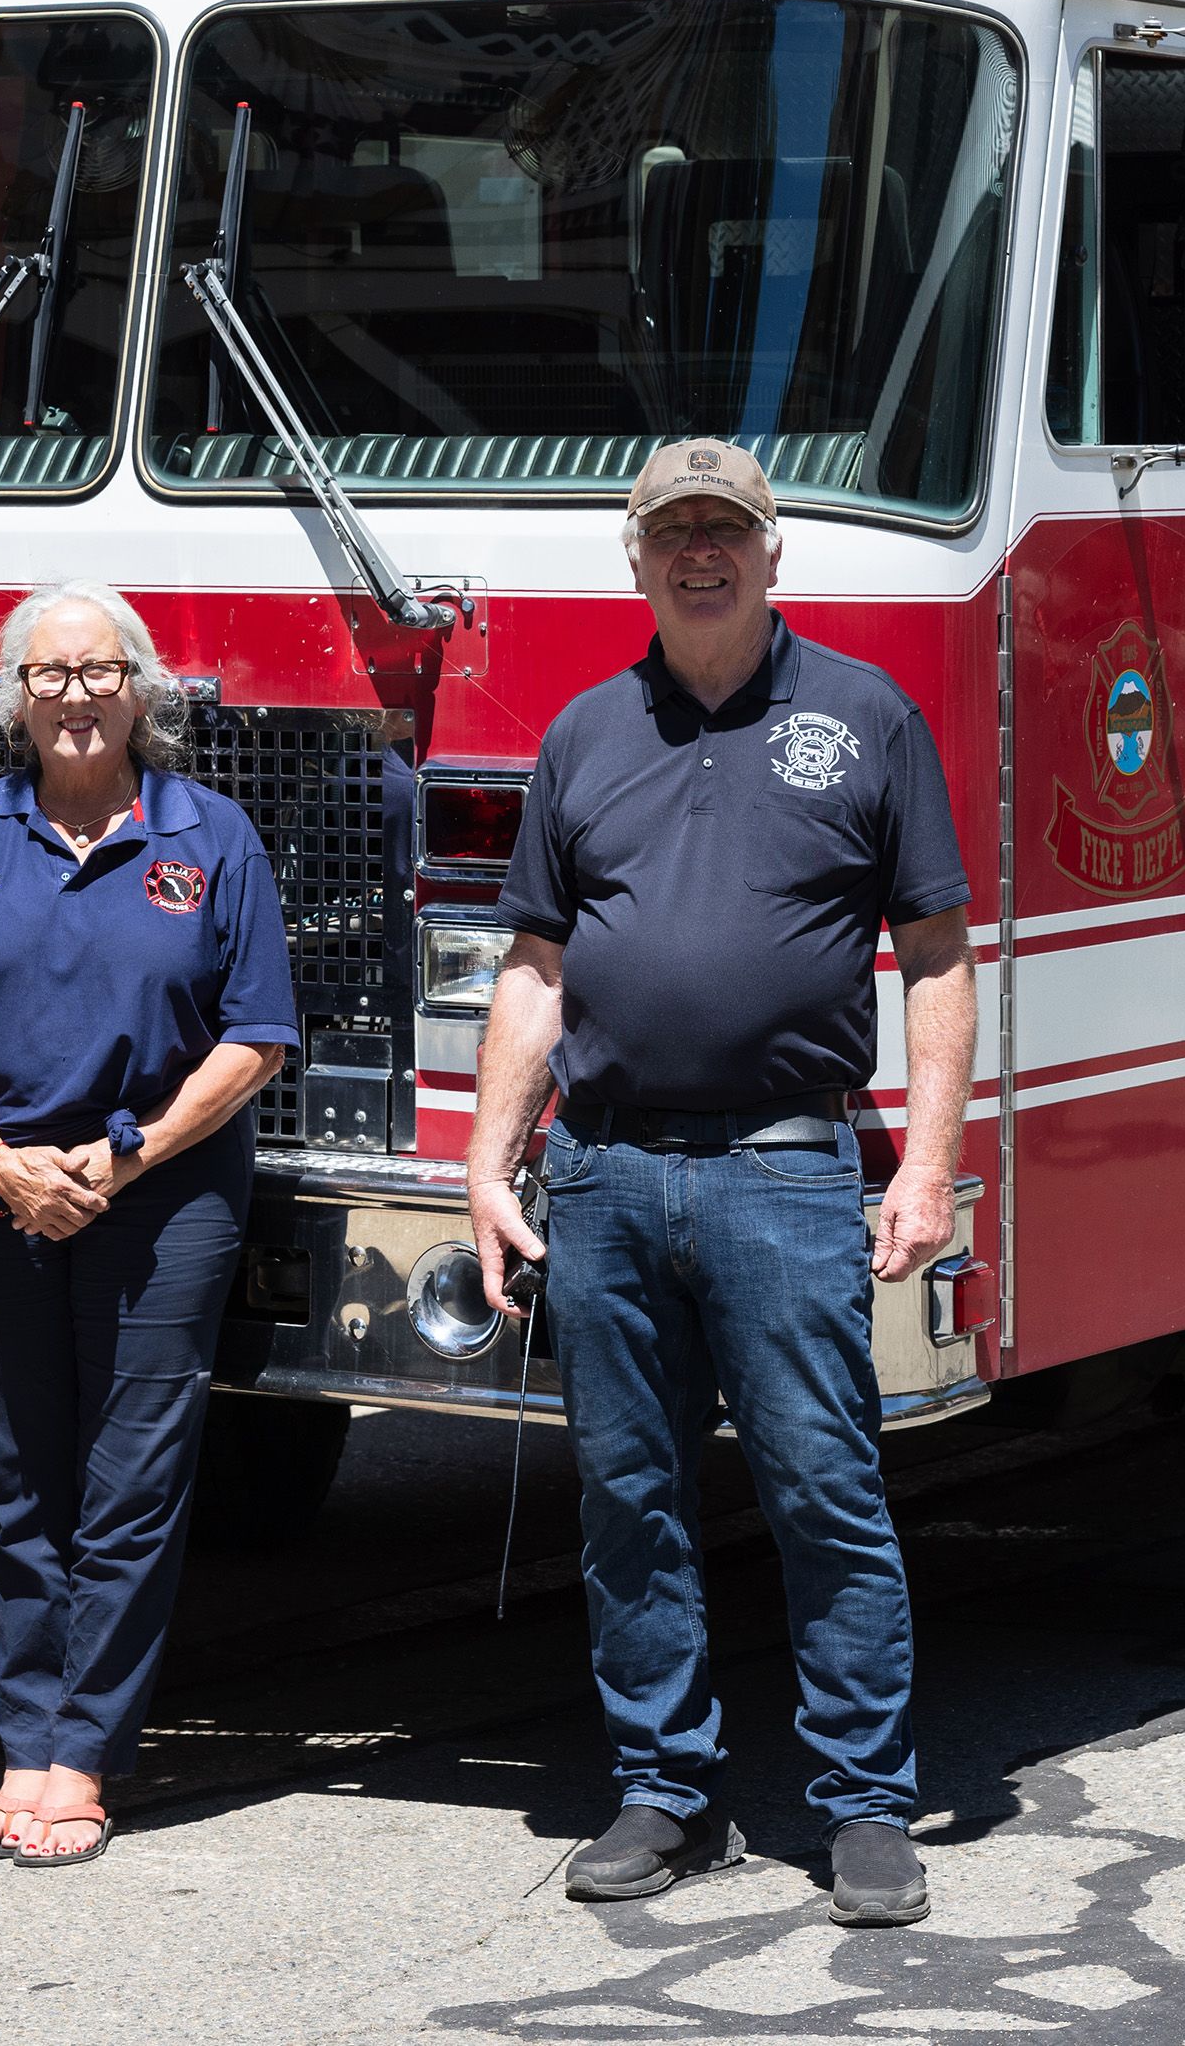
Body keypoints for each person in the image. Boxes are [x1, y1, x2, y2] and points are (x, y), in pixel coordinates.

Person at [466, 439, 977, 1928]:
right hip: (607, 1173)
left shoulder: (866, 718)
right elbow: (535, 969)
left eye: (727, 530)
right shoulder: (581, 737)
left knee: (826, 1489)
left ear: (772, 554)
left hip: (784, 1170)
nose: (701, 552)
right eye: (673, 530)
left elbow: (937, 960)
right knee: (631, 1498)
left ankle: (867, 1806)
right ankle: (665, 1790)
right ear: (635, 560)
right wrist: (490, 1162)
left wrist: (929, 1166)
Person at [0, 579, 296, 1866]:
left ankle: (82, 1758)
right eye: (47, 674)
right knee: (17, 1484)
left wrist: (123, 1159)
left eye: (98, 671)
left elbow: (257, 1037)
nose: (73, 695)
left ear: (140, 689)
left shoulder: (212, 837)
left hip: (161, 1207)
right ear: (12, 696)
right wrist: (0, 1165)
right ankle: (23, 1740)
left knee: (128, 1487)